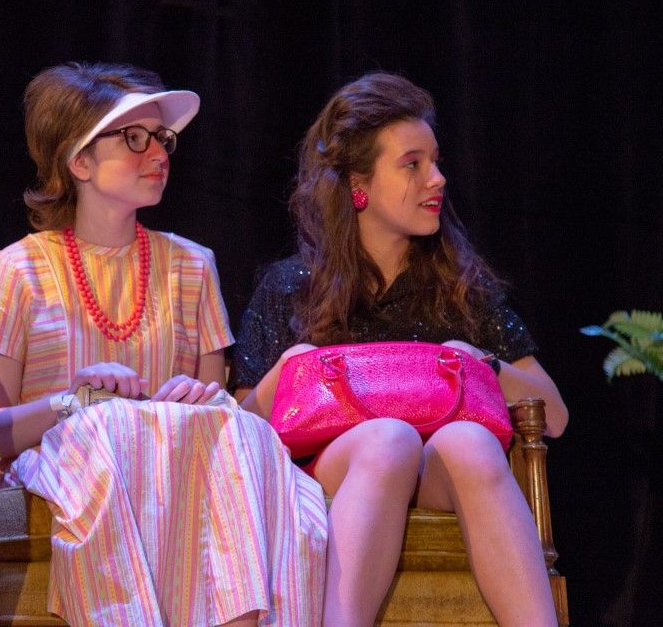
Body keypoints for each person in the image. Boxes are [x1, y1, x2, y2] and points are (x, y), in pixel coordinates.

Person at [0, 61, 327, 627]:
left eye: (162, 139)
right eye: (134, 138)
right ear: (79, 160)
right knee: (109, 428)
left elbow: (219, 419)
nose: (159, 154)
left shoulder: (192, 265)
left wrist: (199, 396)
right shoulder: (19, 269)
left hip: (177, 474)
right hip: (75, 467)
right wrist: (77, 402)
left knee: (243, 433)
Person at [231, 71, 568, 627]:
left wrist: (479, 362)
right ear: (357, 185)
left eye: (435, 161)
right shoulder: (293, 287)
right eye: (412, 164)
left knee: (470, 440)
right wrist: (288, 371)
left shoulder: (460, 286)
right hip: (324, 473)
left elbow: (553, 414)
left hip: (432, 474)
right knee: (389, 439)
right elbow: (238, 433)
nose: (437, 178)